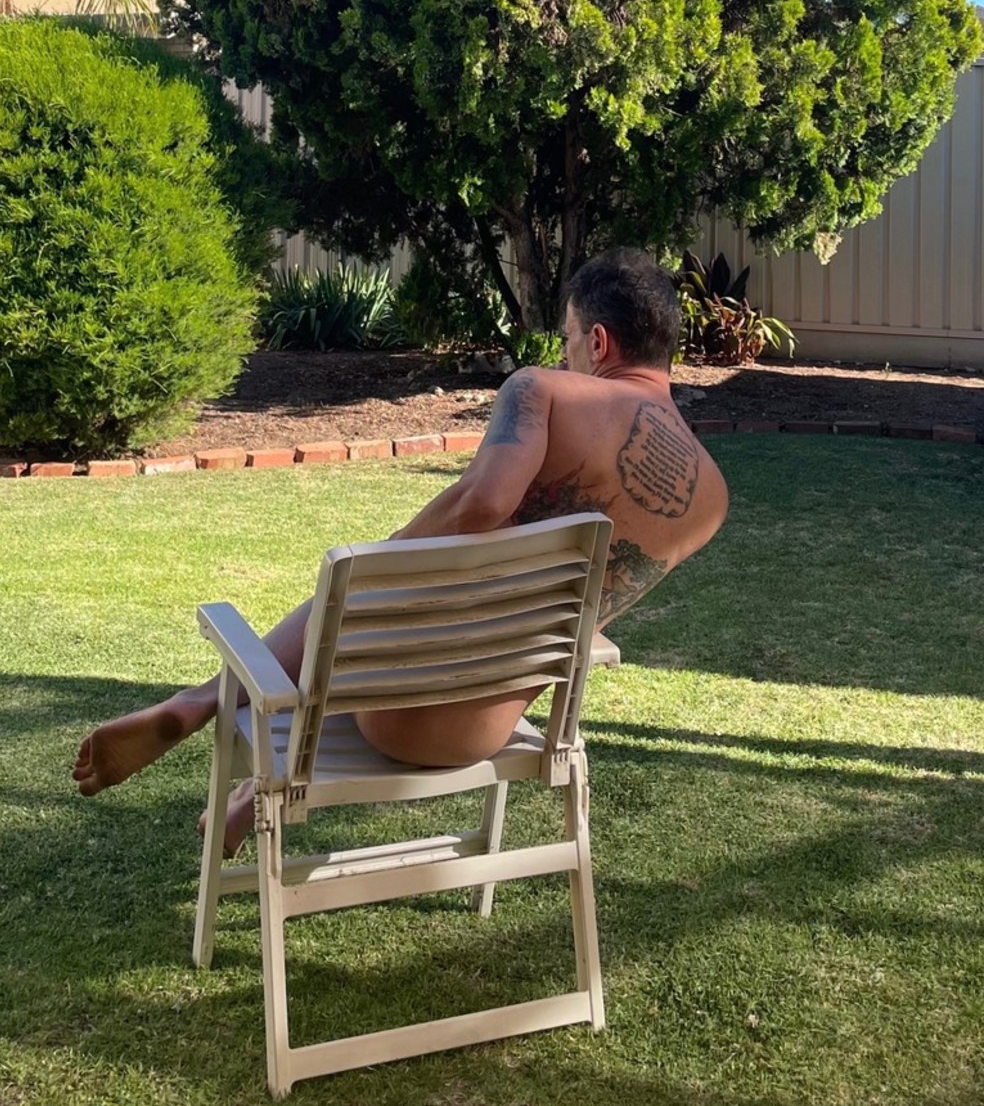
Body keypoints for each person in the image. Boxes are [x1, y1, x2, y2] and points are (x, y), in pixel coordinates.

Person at [73, 247, 728, 852]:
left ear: (598, 341)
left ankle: (198, 703)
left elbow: (481, 505)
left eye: (566, 339)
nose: (563, 356)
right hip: (482, 732)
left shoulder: (545, 392)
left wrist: (381, 555)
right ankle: (246, 792)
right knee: (428, 599)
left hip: (388, 709)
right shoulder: (711, 500)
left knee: (371, 586)